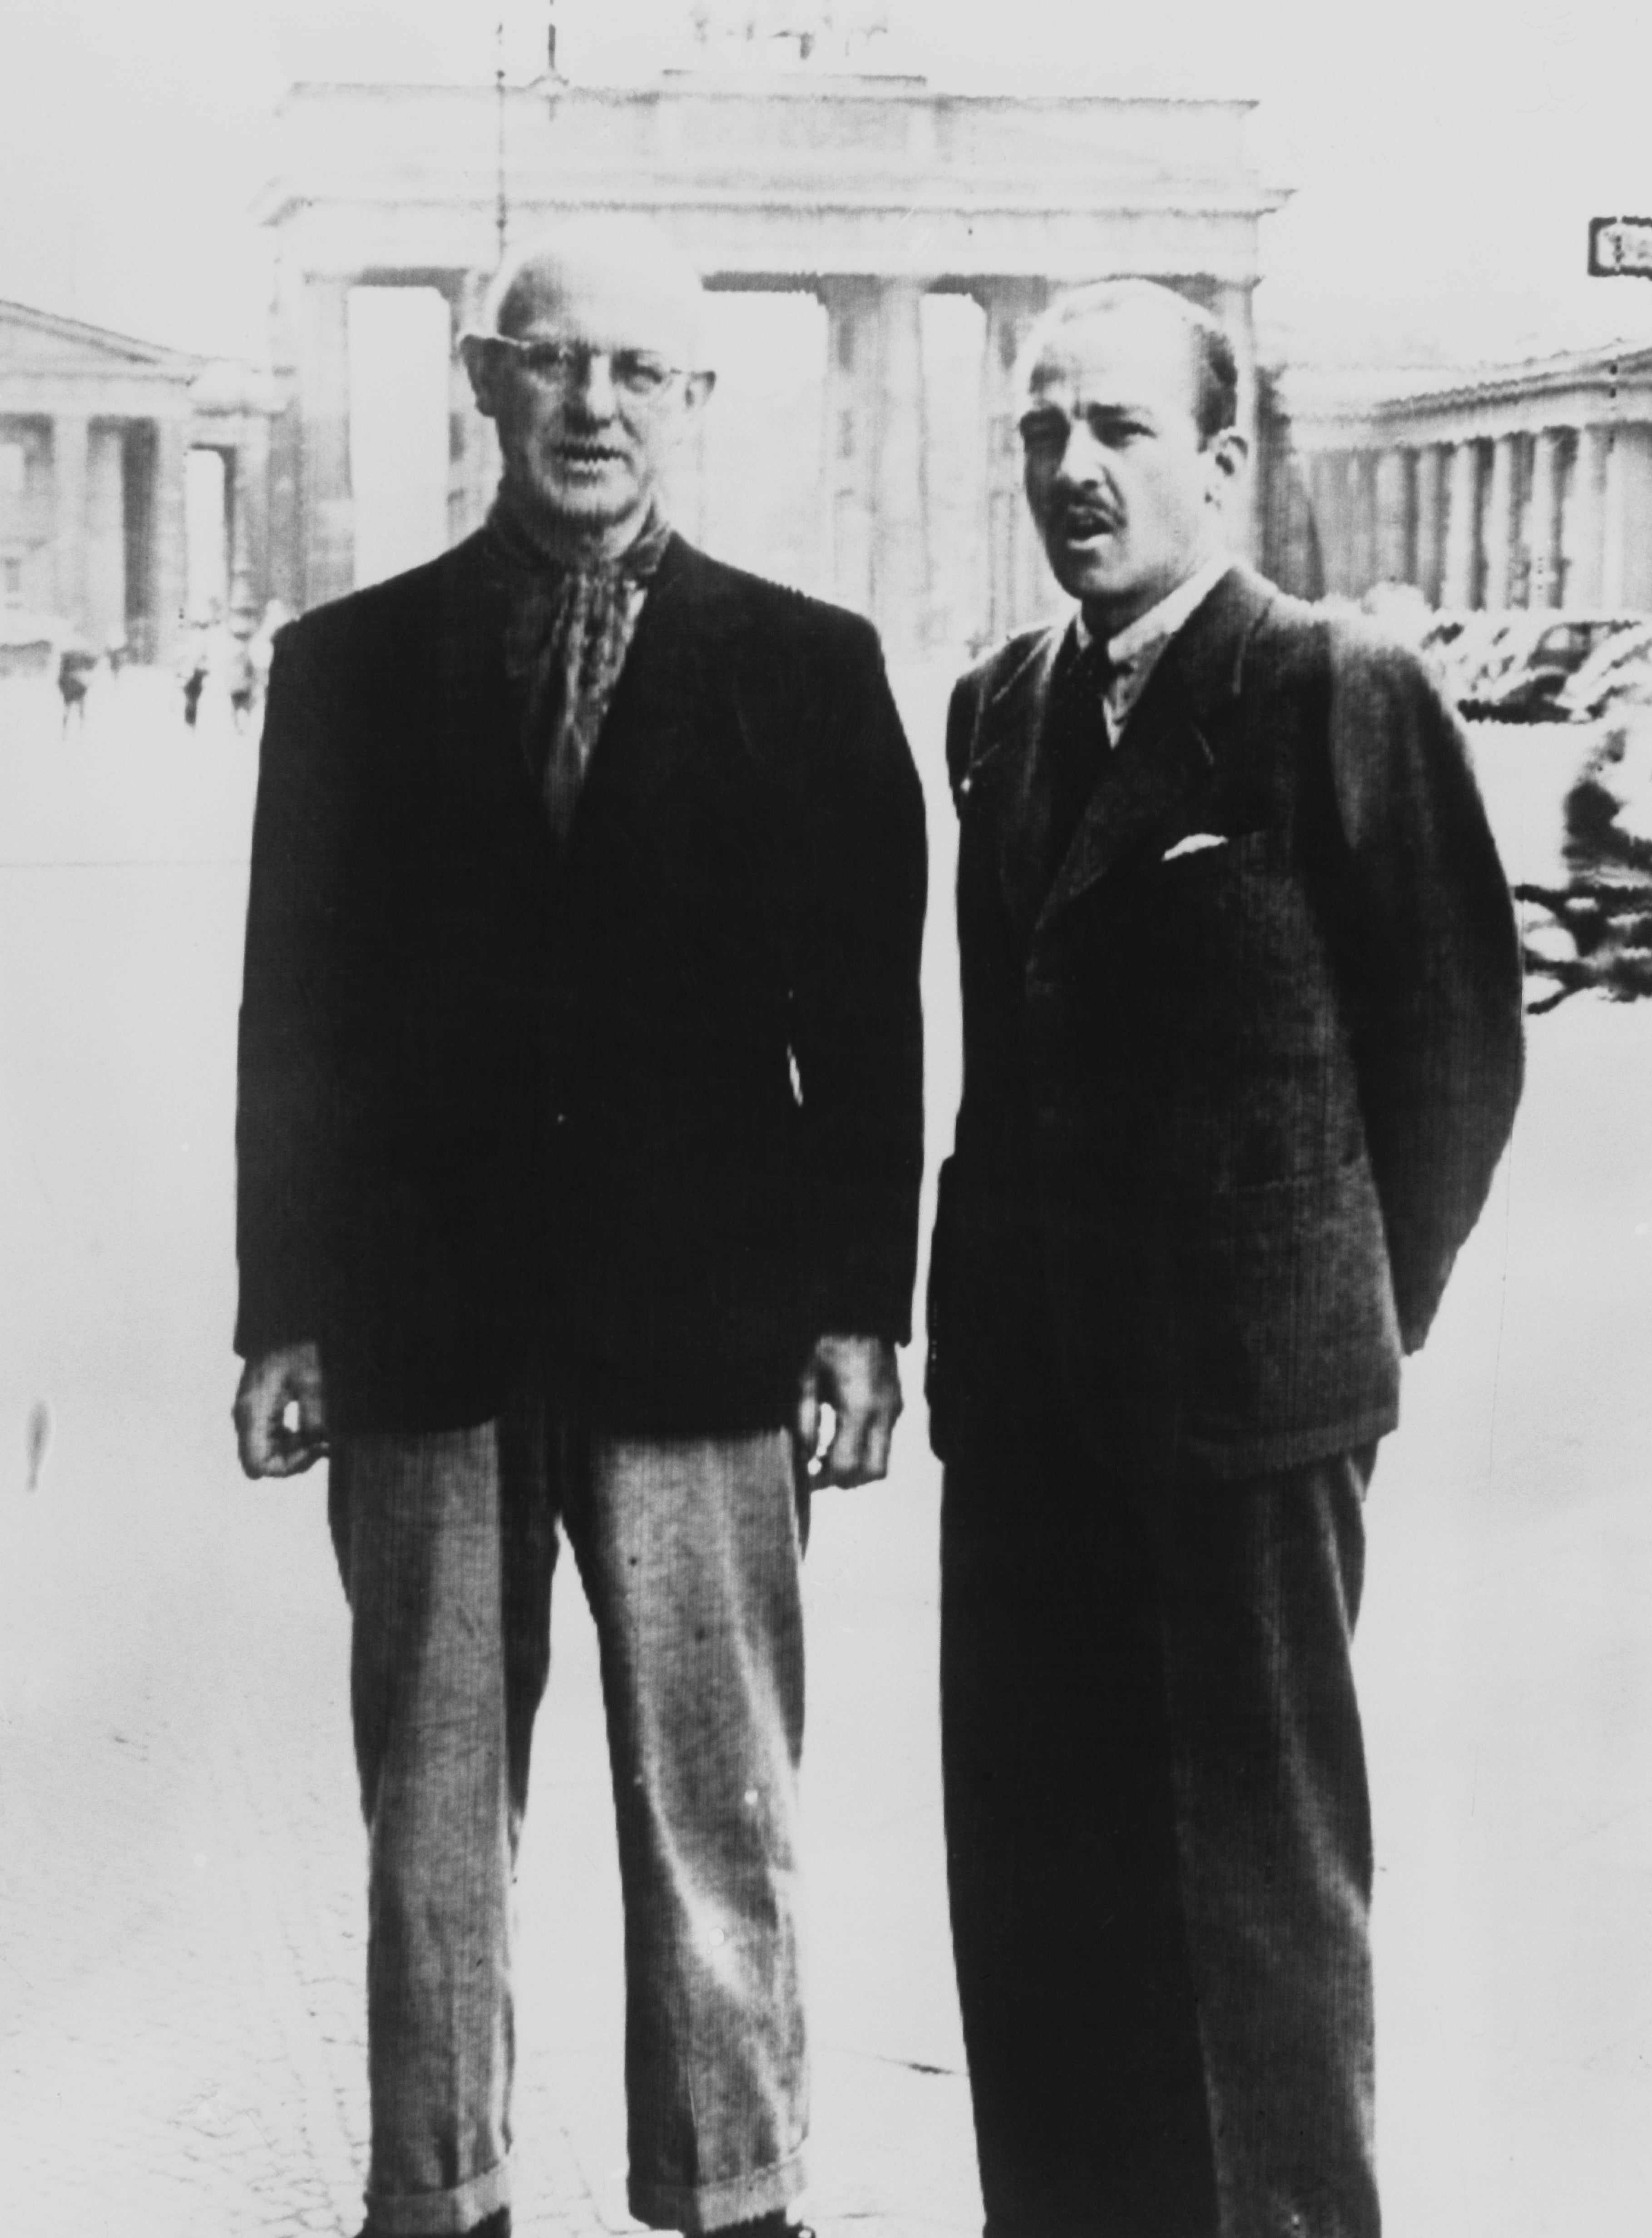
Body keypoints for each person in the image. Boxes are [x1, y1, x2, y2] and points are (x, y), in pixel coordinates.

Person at [232, 216, 927, 2238]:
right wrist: (283, 1308)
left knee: (718, 1812)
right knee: (430, 1820)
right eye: (552, 364)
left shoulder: (808, 668)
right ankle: (434, 2189)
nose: (592, 405)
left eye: (636, 372)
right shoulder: (341, 671)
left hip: (701, 1335)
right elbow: (297, 1014)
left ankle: (735, 2191)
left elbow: (862, 1026)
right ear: (483, 385)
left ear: (693, 401)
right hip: (421, 1334)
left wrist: (858, 1316)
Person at [926, 279, 1524, 2238]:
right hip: (1028, 1423)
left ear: (1221, 458)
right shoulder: (999, 707)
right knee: (1041, 1892)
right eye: (1040, 432)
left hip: (1249, 1420)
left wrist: (1330, 1321)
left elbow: (1452, 1055)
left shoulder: (1336, 687)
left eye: (1113, 428)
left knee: (1251, 1901)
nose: (1072, 471)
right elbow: (996, 1069)